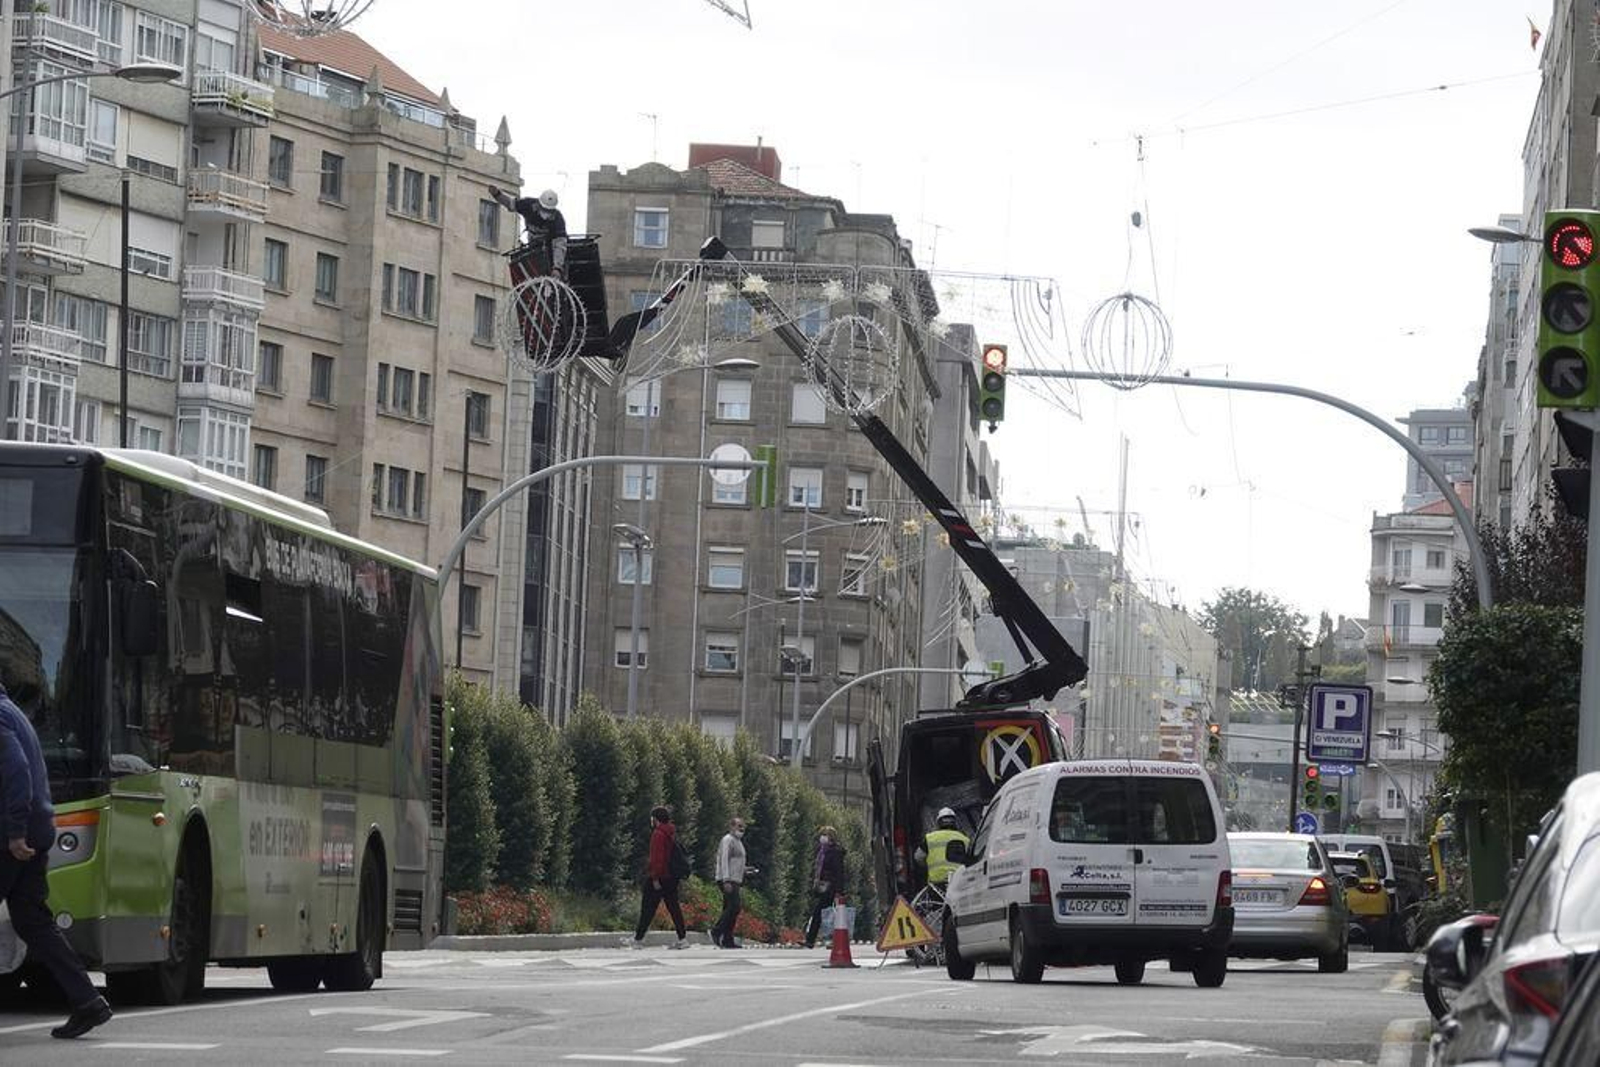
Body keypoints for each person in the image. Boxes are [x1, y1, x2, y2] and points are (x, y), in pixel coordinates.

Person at [0, 681, 113, 1039]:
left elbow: (17, 773)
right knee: (33, 920)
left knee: (32, 919)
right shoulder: (12, 712)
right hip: (38, 827)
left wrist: (15, 832)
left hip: (13, 836)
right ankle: (88, 1002)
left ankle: (87, 1002)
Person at [623, 805, 688, 950]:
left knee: (647, 908)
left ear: (655, 819)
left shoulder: (658, 834)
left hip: (660, 877)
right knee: (674, 908)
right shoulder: (671, 832)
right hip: (672, 877)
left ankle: (638, 940)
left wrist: (655, 878)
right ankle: (682, 939)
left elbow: (657, 858)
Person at [489, 185, 568, 276]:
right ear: (539, 204)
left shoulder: (558, 219)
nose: (546, 214)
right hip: (532, 244)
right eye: (544, 209)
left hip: (549, 250)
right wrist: (498, 195)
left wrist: (557, 267)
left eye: (549, 211)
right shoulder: (528, 205)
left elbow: (560, 244)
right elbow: (511, 203)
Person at [802, 825, 847, 949]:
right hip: (824, 886)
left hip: (831, 887)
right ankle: (814, 939)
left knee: (821, 913)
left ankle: (812, 940)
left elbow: (839, 872)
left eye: (825, 835)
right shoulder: (823, 851)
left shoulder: (835, 852)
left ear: (831, 837)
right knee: (824, 913)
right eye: (822, 834)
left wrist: (839, 891)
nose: (822, 837)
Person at [710, 817, 749, 949]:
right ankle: (717, 930)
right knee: (735, 906)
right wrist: (726, 879)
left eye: (743, 827)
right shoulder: (728, 840)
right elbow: (724, 860)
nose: (741, 829)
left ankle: (727, 938)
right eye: (739, 826)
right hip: (728, 879)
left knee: (729, 907)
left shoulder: (738, 842)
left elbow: (736, 861)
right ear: (731, 827)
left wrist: (745, 869)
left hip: (736, 879)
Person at [913, 807, 970, 888]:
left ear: (939, 822)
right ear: (954, 822)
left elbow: (918, 857)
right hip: (958, 882)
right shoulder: (965, 840)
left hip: (936, 885)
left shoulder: (930, 838)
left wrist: (928, 866)